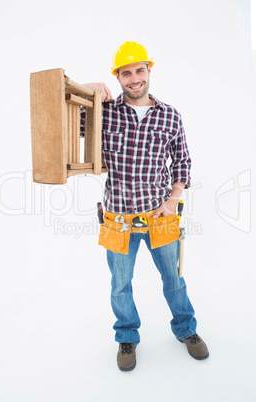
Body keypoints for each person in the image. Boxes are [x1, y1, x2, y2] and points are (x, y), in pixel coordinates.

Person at [83, 41, 209, 371]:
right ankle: (127, 336)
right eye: (126, 73)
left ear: (148, 71)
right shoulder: (104, 112)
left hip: (159, 215)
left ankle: (187, 330)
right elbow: (60, 114)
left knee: (174, 279)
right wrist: (86, 90)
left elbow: (182, 160)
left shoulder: (169, 115)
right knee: (120, 286)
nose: (134, 78)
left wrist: (173, 198)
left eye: (140, 70)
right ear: (118, 77)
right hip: (118, 217)